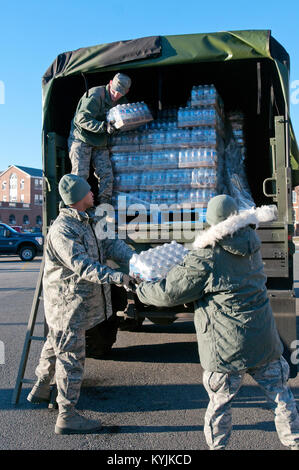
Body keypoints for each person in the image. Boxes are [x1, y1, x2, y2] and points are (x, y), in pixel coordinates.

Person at [136, 194, 299, 450]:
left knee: (220, 405)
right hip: (264, 341)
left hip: (226, 348)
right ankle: (294, 441)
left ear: (211, 221)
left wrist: (142, 290)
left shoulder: (207, 256)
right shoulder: (251, 244)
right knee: (281, 397)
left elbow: (169, 293)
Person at [27, 174, 135, 435]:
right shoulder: (63, 229)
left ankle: (41, 387)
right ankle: (67, 416)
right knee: (71, 358)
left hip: (77, 304)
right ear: (78, 198)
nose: (93, 194)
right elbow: (82, 266)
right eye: (89, 191)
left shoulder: (89, 220)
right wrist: (117, 277)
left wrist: (136, 259)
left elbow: (110, 245)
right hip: (67, 305)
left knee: (55, 343)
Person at [68, 72, 131, 204]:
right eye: (114, 91)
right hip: (81, 138)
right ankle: (77, 210)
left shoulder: (122, 102)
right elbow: (81, 119)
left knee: (107, 176)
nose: (116, 95)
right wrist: (103, 127)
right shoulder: (96, 95)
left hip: (100, 141)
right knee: (80, 177)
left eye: (120, 93)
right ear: (110, 83)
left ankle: (104, 207)